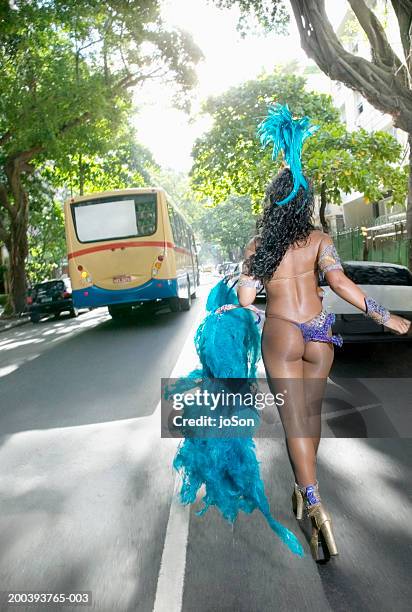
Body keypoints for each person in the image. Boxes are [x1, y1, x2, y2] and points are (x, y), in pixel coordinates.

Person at [237, 116, 411, 560]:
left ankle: (312, 499)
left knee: (293, 420)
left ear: (272, 204)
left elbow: (245, 297)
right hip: (320, 334)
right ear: (305, 204)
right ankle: (306, 485)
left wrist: (250, 281)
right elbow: (340, 284)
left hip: (282, 335)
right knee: (311, 416)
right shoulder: (320, 239)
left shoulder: (258, 247)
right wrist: (384, 316)